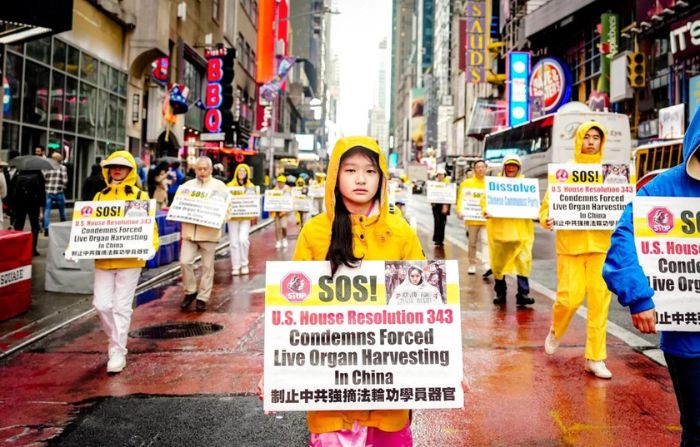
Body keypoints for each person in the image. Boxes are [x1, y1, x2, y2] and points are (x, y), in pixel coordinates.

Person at [266, 135, 424, 445]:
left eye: (370, 170)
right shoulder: (313, 232)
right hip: (330, 393)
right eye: (350, 170)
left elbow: (425, 304)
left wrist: (446, 365)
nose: (361, 179)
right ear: (335, 176)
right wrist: (273, 369)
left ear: (381, 178)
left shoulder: (401, 230)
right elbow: (291, 309)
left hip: (388, 394)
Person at [603, 111, 700, 444]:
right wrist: (639, 296)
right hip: (690, 341)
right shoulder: (662, 188)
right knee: (698, 429)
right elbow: (624, 239)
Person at [540, 122, 613, 379]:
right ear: (579, 140)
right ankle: (556, 329)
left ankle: (595, 357)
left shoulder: (611, 173)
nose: (591, 142)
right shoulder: (566, 172)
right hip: (570, 246)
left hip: (602, 246)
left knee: (599, 303)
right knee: (569, 299)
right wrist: (546, 218)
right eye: (587, 137)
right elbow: (547, 206)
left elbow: (621, 203)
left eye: (596, 137)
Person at [91, 151, 159, 374]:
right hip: (104, 259)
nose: (116, 170)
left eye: (121, 167)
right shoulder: (100, 197)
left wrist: (151, 247)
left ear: (130, 170)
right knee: (101, 304)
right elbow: (88, 225)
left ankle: (118, 352)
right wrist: (76, 246)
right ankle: (116, 344)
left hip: (130, 259)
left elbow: (151, 228)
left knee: (121, 306)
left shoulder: (140, 197)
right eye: (112, 167)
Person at [483, 154, 535, 307]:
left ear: (519, 168)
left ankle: (523, 294)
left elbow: (533, 204)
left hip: (521, 234)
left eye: (514, 165)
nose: (511, 168)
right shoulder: (495, 185)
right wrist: (486, 210)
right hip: (500, 234)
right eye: (508, 165)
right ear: (504, 167)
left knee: (523, 263)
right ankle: (500, 292)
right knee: (499, 265)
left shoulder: (526, 186)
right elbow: (484, 202)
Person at [179, 156, 229, 312]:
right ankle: (190, 291)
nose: (201, 172)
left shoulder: (219, 186)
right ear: (195, 169)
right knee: (185, 261)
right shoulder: (187, 185)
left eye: (204, 169)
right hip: (189, 233)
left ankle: (203, 298)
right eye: (199, 169)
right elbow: (179, 205)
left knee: (208, 267)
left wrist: (217, 220)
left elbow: (228, 209)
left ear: (211, 170)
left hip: (209, 234)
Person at [456, 160, 491, 276]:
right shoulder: (467, 183)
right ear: (474, 169)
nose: (480, 169)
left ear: (486, 169)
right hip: (472, 218)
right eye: (478, 167)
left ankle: (486, 265)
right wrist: (459, 211)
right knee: (472, 243)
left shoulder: (490, 183)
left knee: (486, 242)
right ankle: (472, 264)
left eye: (482, 167)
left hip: (486, 218)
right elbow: (461, 198)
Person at [226, 163, 255, 276]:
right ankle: (235, 266)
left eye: (244, 171)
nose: (241, 173)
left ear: (247, 173)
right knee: (234, 242)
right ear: (236, 172)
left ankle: (244, 264)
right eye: (240, 171)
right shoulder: (229, 186)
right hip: (232, 217)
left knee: (243, 240)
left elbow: (254, 202)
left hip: (245, 217)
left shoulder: (251, 186)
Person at [10, 169, 45, 256]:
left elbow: (12, 189)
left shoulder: (18, 172)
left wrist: (12, 205)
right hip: (34, 203)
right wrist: (42, 205)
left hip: (20, 203)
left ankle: (18, 247)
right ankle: (33, 249)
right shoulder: (38, 173)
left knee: (19, 225)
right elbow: (42, 190)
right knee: (35, 226)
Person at [42, 152, 69, 236]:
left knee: (47, 210)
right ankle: (63, 225)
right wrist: (63, 186)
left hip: (48, 191)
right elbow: (65, 180)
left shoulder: (47, 167)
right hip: (59, 191)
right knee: (62, 210)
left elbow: (43, 177)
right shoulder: (62, 167)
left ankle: (46, 228)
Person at [431, 168, 450, 247]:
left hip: (444, 205)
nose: (440, 176)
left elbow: (450, 195)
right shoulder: (434, 184)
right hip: (436, 205)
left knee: (442, 222)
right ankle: (436, 239)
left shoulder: (447, 184)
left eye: (441, 175)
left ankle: (440, 239)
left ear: (444, 175)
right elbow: (431, 194)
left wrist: (446, 205)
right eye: (438, 175)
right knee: (437, 221)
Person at [272, 175, 290, 249]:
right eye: (279, 182)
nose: (280, 184)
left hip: (284, 212)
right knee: (277, 227)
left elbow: (290, 201)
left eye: (282, 182)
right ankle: (278, 241)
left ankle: (284, 238)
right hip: (276, 212)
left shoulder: (288, 190)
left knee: (283, 226)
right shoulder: (274, 190)